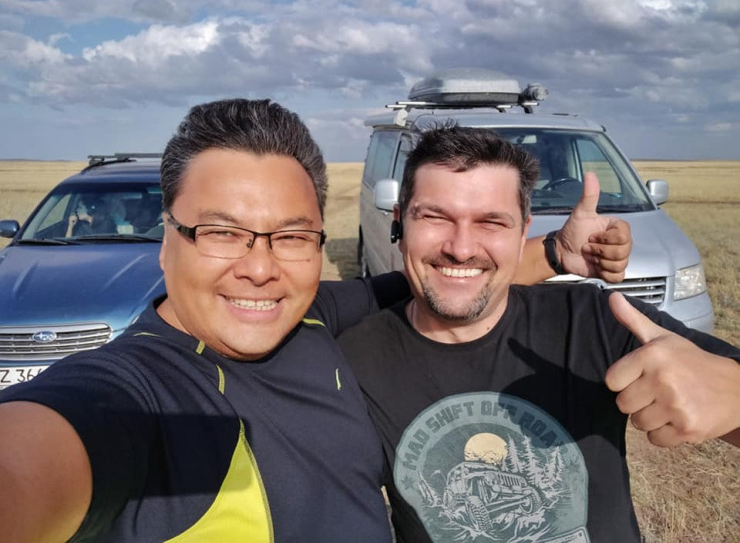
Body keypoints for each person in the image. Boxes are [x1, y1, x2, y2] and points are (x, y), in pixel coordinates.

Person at [0, 100, 630, 543]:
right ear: (168, 240)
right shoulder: (137, 393)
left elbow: (444, 274)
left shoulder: (311, 317)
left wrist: (553, 253)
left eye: (292, 236)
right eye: (222, 232)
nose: (260, 269)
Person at [337, 126, 740, 543]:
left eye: (492, 222)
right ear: (400, 223)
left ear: (522, 234)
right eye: (435, 217)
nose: (461, 248)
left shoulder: (592, 322)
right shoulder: (352, 364)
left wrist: (732, 394)